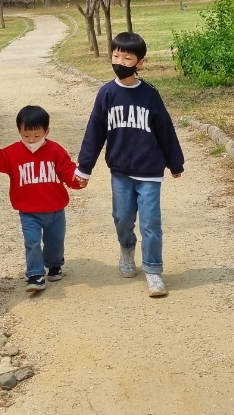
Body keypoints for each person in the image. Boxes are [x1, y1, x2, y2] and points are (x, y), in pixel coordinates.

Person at [75, 31, 184, 297]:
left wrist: (175, 163)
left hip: (149, 172)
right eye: (116, 55)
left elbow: (165, 130)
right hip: (120, 172)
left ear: (140, 63)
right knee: (122, 219)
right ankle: (127, 249)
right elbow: (95, 132)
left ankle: (153, 271)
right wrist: (84, 167)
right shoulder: (106, 94)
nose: (120, 61)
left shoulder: (150, 96)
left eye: (127, 57)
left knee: (151, 222)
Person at [0, 104, 86, 293]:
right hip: (29, 212)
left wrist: (76, 179)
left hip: (55, 210)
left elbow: (67, 170)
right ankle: (35, 274)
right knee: (32, 242)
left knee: (55, 241)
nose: (31, 140)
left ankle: (54, 265)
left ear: (47, 131)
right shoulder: (13, 153)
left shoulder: (55, 151)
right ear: (19, 132)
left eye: (37, 136)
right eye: (26, 135)